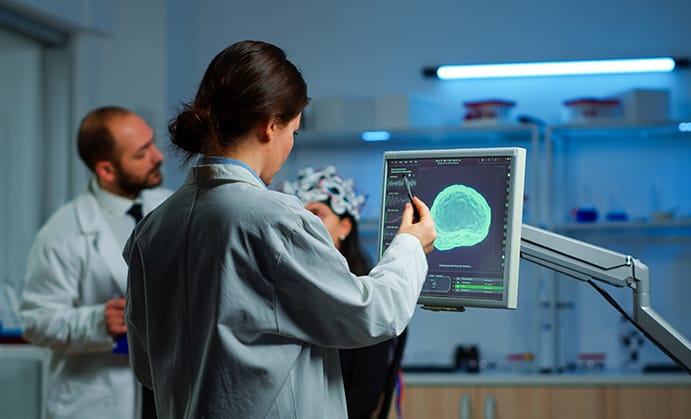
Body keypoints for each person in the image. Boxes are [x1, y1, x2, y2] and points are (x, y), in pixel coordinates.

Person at [122, 39, 436, 419]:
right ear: (270, 126)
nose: (289, 144)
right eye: (293, 133)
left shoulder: (153, 227)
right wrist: (410, 245)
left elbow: (146, 365)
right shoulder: (273, 218)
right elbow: (373, 315)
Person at [20, 106, 172, 419]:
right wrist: (96, 322)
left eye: (152, 144)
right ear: (106, 170)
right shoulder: (62, 233)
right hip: (98, 400)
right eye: (142, 153)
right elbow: (35, 321)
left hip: (166, 391)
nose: (158, 156)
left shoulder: (169, 207)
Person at [281, 165, 405, 419]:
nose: (307, 225)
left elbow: (365, 397)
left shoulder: (367, 296)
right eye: (300, 216)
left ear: (345, 227)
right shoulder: (284, 290)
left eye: (317, 214)